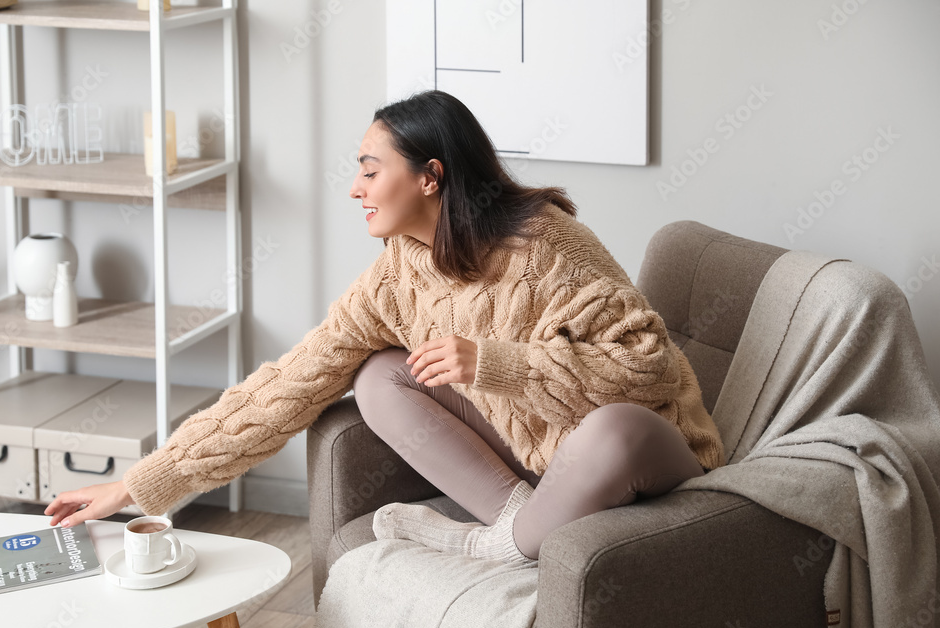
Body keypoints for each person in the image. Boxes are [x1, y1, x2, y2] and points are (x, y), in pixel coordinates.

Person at [44, 90, 724, 568]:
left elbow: (650, 368)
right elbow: (287, 387)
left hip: (647, 453)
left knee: (614, 429)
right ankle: (517, 522)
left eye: (371, 169)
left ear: (431, 177)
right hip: (540, 465)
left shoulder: (547, 244)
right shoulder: (394, 279)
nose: (355, 188)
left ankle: (489, 546)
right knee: (378, 373)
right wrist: (140, 481)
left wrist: (498, 363)